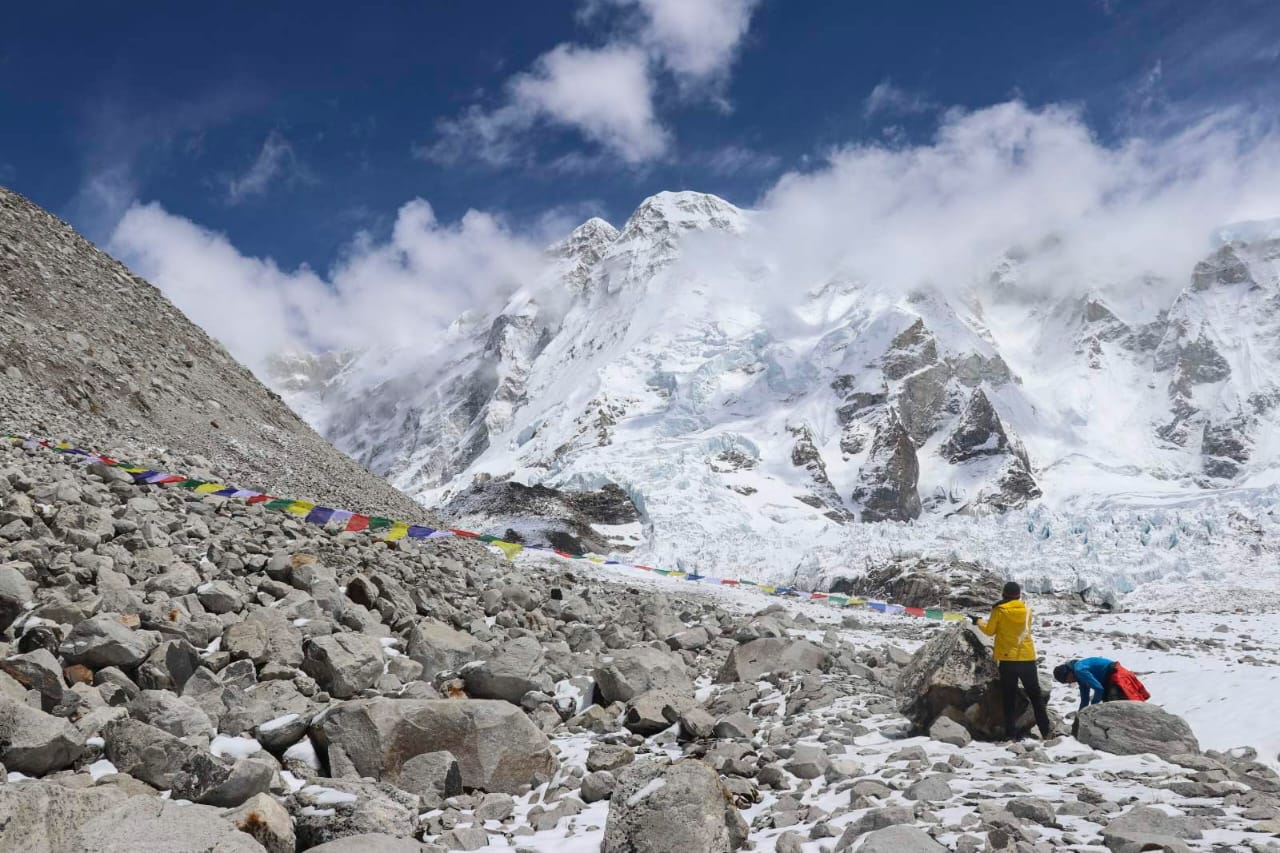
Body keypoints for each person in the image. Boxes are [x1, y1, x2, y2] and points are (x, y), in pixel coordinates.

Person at [969, 581, 1051, 741]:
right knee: (1035, 696)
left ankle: (1010, 734)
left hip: (1008, 660)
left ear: (1003, 594)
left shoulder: (999, 610)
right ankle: (1046, 731)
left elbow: (989, 630)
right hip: (1027, 657)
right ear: (1019, 595)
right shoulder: (1027, 609)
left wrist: (978, 621)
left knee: (1009, 697)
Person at [1054, 657, 1150, 709]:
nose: (1070, 682)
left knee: (1122, 708)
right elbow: (1084, 699)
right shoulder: (1079, 676)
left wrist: (1093, 706)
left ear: (1069, 672)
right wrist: (1081, 715)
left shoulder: (1079, 670)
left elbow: (1099, 689)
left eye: (1068, 680)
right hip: (1112, 679)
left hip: (1117, 677)